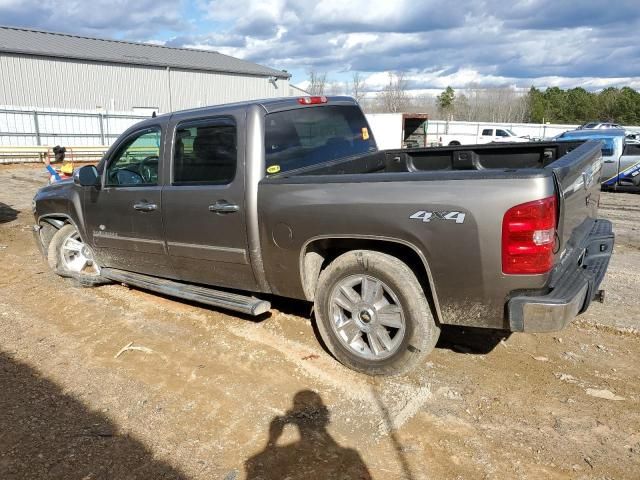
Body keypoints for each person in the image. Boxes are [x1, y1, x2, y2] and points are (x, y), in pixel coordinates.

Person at [245, 390, 372, 480]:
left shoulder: (282, 458)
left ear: (294, 419)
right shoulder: (350, 457)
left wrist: (272, 440)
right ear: (324, 416)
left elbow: (256, 469)